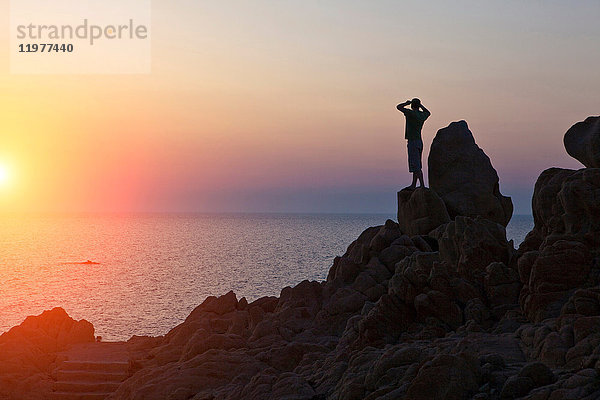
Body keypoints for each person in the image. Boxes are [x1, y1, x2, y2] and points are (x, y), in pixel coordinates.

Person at [396, 98, 431, 189]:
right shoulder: (421, 115)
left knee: (416, 165)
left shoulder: (410, 113)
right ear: (418, 106)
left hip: (413, 141)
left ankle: (422, 185)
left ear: (412, 106)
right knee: (417, 164)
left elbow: (398, 107)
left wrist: (407, 103)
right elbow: (428, 113)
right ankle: (414, 184)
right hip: (419, 141)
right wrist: (421, 106)